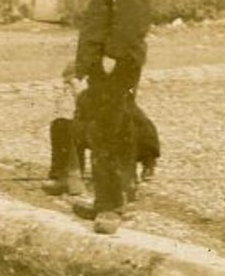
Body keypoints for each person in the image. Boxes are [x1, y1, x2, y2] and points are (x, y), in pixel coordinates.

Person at [66, 0, 152, 235]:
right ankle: (110, 199)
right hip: (109, 60)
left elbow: (130, 16)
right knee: (113, 128)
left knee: (109, 132)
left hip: (114, 63)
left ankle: (111, 207)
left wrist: (112, 55)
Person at [43, 70, 161, 198]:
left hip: (116, 144)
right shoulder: (125, 92)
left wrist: (75, 87)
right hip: (135, 150)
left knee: (62, 126)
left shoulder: (93, 93)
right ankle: (127, 180)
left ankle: (69, 177)